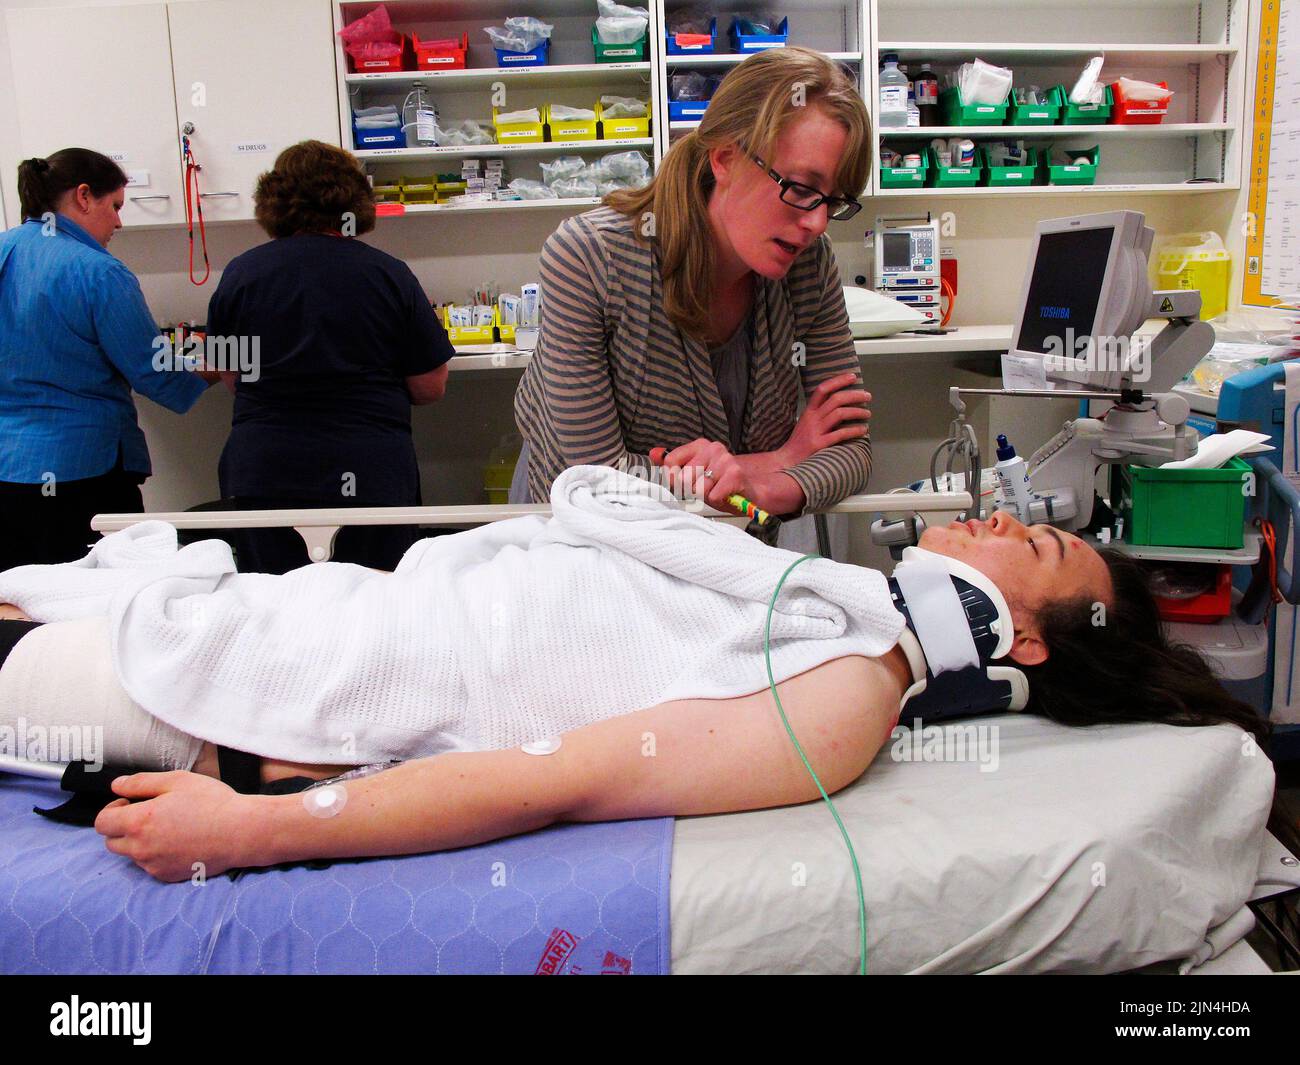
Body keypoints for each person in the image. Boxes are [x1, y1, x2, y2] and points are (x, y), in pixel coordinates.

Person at [0, 477, 1265, 883]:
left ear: (1023, 640)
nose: (998, 516)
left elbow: (558, 777)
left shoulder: (847, 695)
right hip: (316, 617)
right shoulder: (820, 603)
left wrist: (258, 833)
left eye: (1029, 542)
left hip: (261, 685)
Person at [512, 47, 874, 545]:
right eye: (799, 188)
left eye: (834, 200)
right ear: (725, 158)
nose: (815, 222)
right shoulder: (592, 258)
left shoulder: (809, 266)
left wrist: (759, 487)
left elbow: (851, 452)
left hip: (731, 541)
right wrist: (781, 460)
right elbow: (599, 483)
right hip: (592, 544)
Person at [206, 140, 455, 573]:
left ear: (273, 201)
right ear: (354, 203)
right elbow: (430, 386)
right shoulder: (388, 273)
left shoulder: (240, 274)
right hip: (368, 472)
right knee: (374, 605)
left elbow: (230, 376)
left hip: (266, 472)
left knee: (273, 606)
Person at [0, 149, 214, 571]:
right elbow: (157, 375)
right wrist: (222, 364)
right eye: (115, 206)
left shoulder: (5, 249)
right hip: (81, 474)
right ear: (83, 196)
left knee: (18, 603)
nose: (118, 221)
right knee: (93, 603)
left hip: (7, 471)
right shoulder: (99, 272)